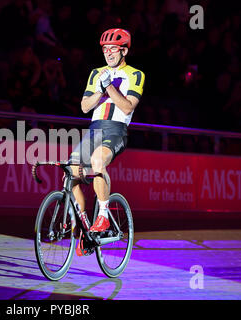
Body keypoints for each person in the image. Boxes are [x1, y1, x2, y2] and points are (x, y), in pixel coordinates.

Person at [69, 28, 145, 256]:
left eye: (113, 49)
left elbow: (128, 106)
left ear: (124, 51)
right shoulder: (96, 73)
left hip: (116, 130)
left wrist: (109, 87)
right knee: (71, 169)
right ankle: (83, 225)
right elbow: (84, 107)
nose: (108, 53)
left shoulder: (136, 74)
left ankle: (103, 216)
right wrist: (100, 90)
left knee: (97, 160)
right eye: (105, 49)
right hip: (94, 129)